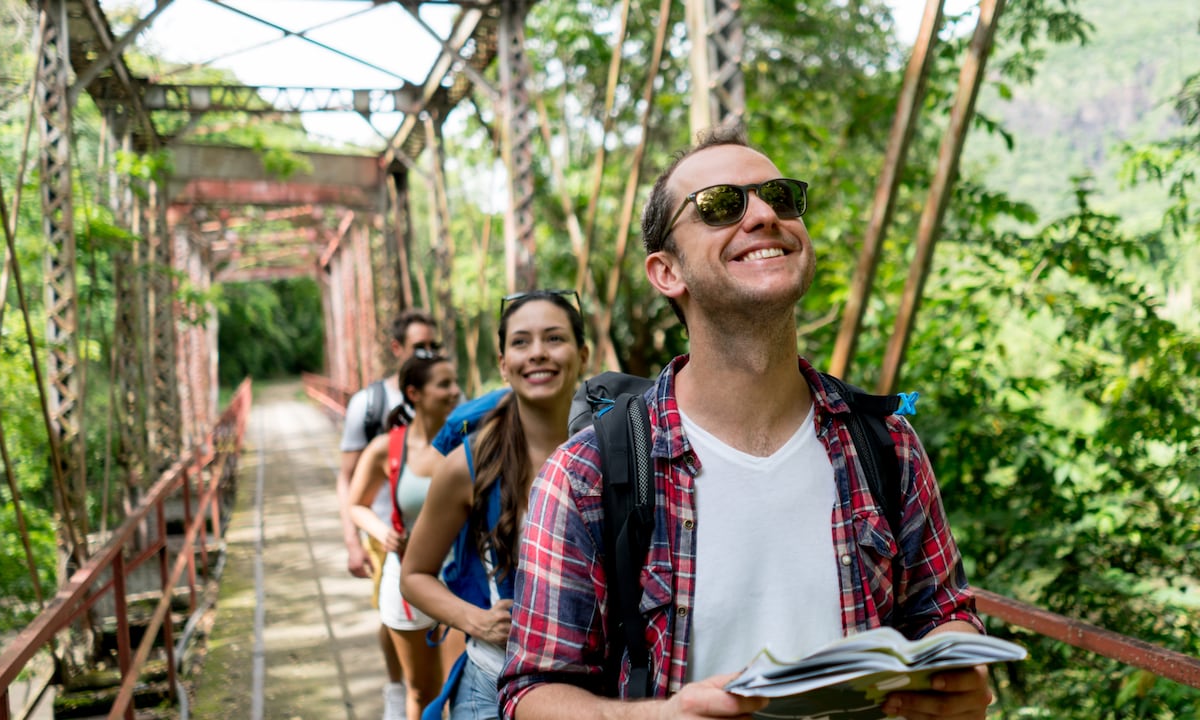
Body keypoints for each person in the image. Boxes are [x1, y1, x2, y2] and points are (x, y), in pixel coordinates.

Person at [499, 126, 994, 720]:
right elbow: (530, 692)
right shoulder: (586, 475)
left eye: (780, 197)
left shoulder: (887, 445)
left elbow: (942, 614)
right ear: (666, 272)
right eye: (720, 205)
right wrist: (659, 717)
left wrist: (958, 673)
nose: (763, 214)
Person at [400, 291, 589, 720]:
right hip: (492, 688)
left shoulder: (618, 452)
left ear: (583, 354)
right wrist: (477, 620)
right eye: (521, 342)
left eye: (554, 338)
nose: (537, 353)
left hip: (591, 690)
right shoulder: (468, 464)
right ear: (503, 363)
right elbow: (413, 575)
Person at [337, 309, 440, 720]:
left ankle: (415, 691)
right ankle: (399, 689)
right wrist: (355, 541)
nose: (429, 355)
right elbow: (348, 479)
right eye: (420, 348)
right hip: (388, 534)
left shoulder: (451, 395)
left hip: (439, 529)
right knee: (394, 616)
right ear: (397, 350)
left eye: (435, 346)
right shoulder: (369, 403)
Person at [349, 352, 463, 720]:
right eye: (444, 384)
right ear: (414, 393)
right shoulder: (387, 447)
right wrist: (383, 533)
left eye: (455, 382)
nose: (455, 391)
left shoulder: (469, 440)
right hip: (408, 581)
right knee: (421, 692)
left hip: (461, 579)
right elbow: (356, 505)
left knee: (459, 690)